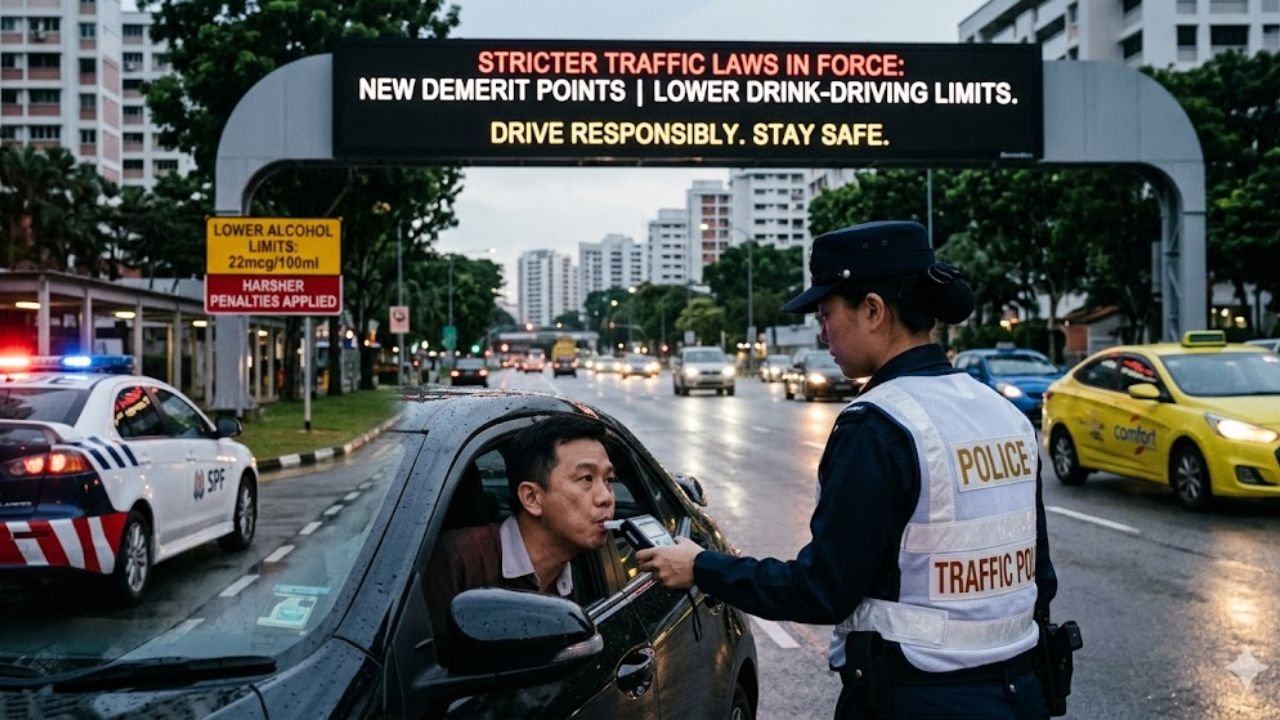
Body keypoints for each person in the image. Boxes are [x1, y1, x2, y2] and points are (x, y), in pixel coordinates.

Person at [638, 221, 1058, 719]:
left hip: (917, 700)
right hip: (1020, 693)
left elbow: (823, 590)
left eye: (826, 313)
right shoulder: (1002, 414)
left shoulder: (879, 424)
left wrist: (701, 567)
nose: (822, 332)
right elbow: (1040, 580)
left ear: (874, 310)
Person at [426, 414, 617, 641]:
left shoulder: (576, 576)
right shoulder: (456, 560)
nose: (606, 497)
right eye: (586, 478)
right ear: (532, 498)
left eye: (609, 480)